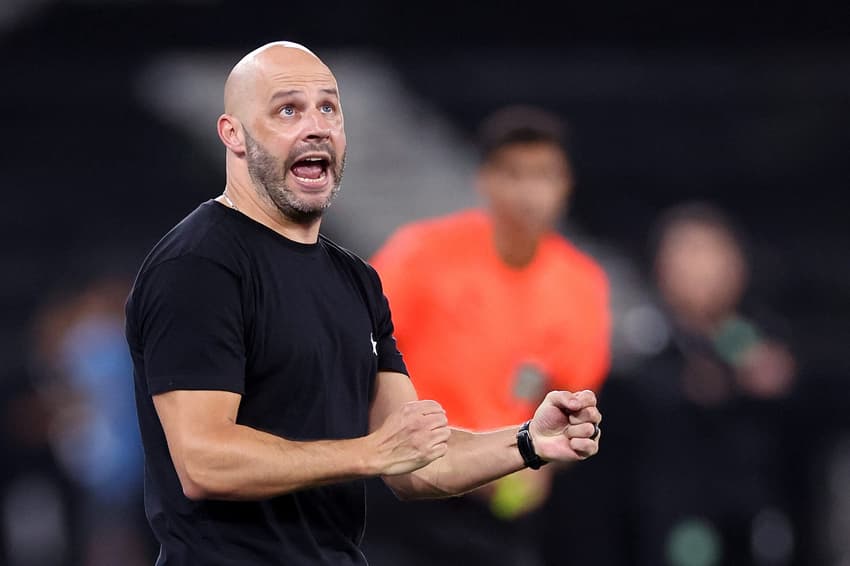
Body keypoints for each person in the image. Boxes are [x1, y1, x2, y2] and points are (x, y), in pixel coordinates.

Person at [124, 41, 603, 566]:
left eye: (328, 107)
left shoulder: (355, 281)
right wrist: (369, 452)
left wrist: (529, 442)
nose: (316, 125)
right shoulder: (199, 266)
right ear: (233, 134)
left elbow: (418, 462)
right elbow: (203, 463)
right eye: (288, 109)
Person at [361, 106, 611, 566]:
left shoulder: (583, 285)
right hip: (406, 490)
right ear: (485, 180)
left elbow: (571, 394)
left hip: (502, 497)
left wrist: (541, 462)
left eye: (543, 174)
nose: (529, 191)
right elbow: (361, 351)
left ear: (566, 184)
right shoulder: (420, 256)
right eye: (514, 173)